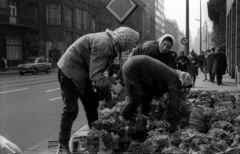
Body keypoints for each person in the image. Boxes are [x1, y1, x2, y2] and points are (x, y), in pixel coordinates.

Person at [56, 27, 139, 154]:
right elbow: (95, 76)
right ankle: (62, 146)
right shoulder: (104, 45)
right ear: (124, 42)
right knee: (71, 109)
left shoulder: (111, 43)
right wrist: (113, 87)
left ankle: (95, 137)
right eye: (129, 45)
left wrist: (110, 81)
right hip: (69, 70)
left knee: (92, 104)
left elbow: (97, 69)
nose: (128, 48)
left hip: (83, 73)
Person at [119, 55, 192, 132]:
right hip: (133, 67)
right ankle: (119, 123)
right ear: (183, 82)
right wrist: (177, 122)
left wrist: (161, 98)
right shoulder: (174, 79)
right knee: (134, 101)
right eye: (185, 88)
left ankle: (142, 126)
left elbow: (153, 87)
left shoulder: (171, 74)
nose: (183, 90)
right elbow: (174, 104)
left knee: (147, 98)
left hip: (139, 70)